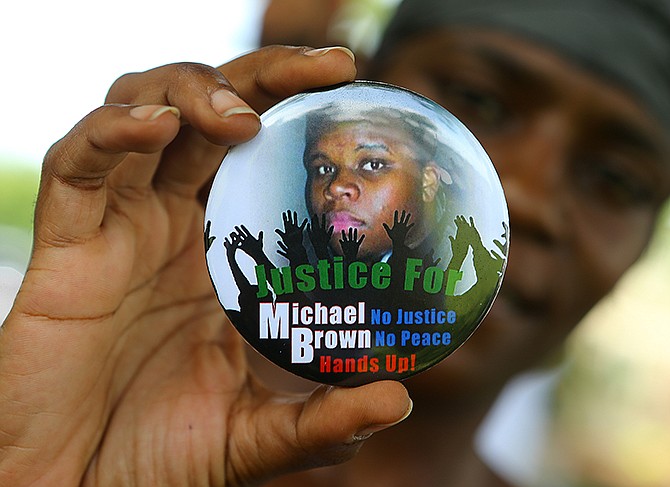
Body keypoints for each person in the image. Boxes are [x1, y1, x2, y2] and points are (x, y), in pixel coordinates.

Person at [0, 0, 667, 486]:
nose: (526, 193)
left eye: (615, 178)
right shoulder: (103, 422)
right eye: (478, 100)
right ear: (344, 94)